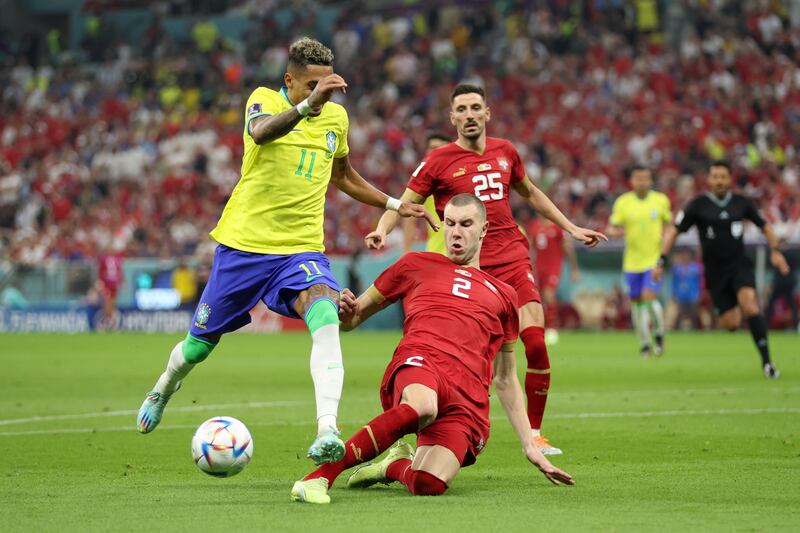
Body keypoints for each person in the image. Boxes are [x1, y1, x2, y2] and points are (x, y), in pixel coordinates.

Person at [135, 38, 435, 465]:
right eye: (312, 85)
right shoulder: (262, 100)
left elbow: (344, 176)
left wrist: (392, 204)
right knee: (198, 348)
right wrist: (306, 106)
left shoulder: (337, 117)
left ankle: (327, 428)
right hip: (243, 248)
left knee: (326, 314)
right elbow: (261, 133)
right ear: (290, 80)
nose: (322, 93)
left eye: (326, 85)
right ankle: (164, 386)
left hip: (300, 251)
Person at [365, 84, 606, 455]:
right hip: (470, 270)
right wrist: (382, 230)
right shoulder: (438, 160)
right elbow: (404, 202)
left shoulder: (506, 151)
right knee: (467, 359)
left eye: (476, 107)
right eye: (461, 109)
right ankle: (429, 424)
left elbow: (531, 193)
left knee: (537, 343)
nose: (469, 114)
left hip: (511, 256)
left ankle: (536, 433)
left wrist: (570, 226)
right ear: (453, 118)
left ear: (487, 113)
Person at [291, 194, 574, 504]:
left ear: (483, 229)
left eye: (466, 224)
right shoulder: (415, 264)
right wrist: (345, 312)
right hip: (422, 362)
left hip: (466, 396)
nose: (456, 232)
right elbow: (354, 316)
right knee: (424, 404)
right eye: (450, 223)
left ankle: (392, 466)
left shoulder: (505, 295)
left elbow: (505, 379)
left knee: (429, 483)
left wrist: (529, 444)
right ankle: (320, 477)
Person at [655, 160, 789, 378]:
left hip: (739, 265)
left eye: (723, 177)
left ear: (729, 180)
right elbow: (674, 231)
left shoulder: (741, 203)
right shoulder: (697, 205)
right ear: (708, 180)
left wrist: (775, 250)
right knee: (731, 324)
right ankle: (735, 306)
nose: (719, 181)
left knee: (750, 304)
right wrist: (661, 260)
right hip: (715, 272)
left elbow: (764, 225)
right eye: (715, 177)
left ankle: (767, 363)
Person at [607, 165, 672, 356]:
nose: (642, 181)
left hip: (653, 260)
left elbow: (669, 225)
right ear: (632, 181)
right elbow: (612, 227)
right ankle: (645, 343)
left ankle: (659, 333)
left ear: (650, 180)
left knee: (649, 298)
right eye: (638, 178)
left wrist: (665, 244)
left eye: (646, 178)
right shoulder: (623, 202)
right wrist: (615, 232)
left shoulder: (660, 201)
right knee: (636, 303)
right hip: (631, 262)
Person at [527, 215, 581, 341]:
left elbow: (567, 248)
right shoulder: (534, 225)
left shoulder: (557, 226)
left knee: (549, 294)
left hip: (553, 267)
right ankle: (539, 327)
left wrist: (574, 269)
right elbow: (530, 247)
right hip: (538, 268)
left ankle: (552, 328)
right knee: (538, 298)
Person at [402, 132, 450, 254]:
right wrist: (406, 253)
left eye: (441, 148)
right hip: (437, 254)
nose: (437, 152)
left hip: (465, 255)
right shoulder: (424, 182)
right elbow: (409, 217)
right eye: (433, 148)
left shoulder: (462, 177)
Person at [765, 238, 798, 331]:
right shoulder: (792, 254)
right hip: (788, 282)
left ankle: (766, 324)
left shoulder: (779, 254)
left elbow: (775, 265)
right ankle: (795, 325)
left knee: (773, 302)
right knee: (791, 303)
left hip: (781, 282)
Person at [671, 248, 702, 330]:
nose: (685, 256)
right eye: (683, 254)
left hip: (692, 295)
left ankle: (696, 331)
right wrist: (674, 294)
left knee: (694, 314)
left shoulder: (695, 268)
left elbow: (698, 281)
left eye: (687, 254)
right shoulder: (677, 268)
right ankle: (676, 331)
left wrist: (699, 293)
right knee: (679, 314)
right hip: (681, 295)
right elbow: (674, 282)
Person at [96, 247, 124, 329]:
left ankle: (109, 319)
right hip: (108, 283)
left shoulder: (107, 259)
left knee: (111, 302)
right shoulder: (115, 259)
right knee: (108, 301)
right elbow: (119, 271)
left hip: (112, 283)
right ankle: (107, 319)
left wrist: (121, 281)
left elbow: (119, 271)